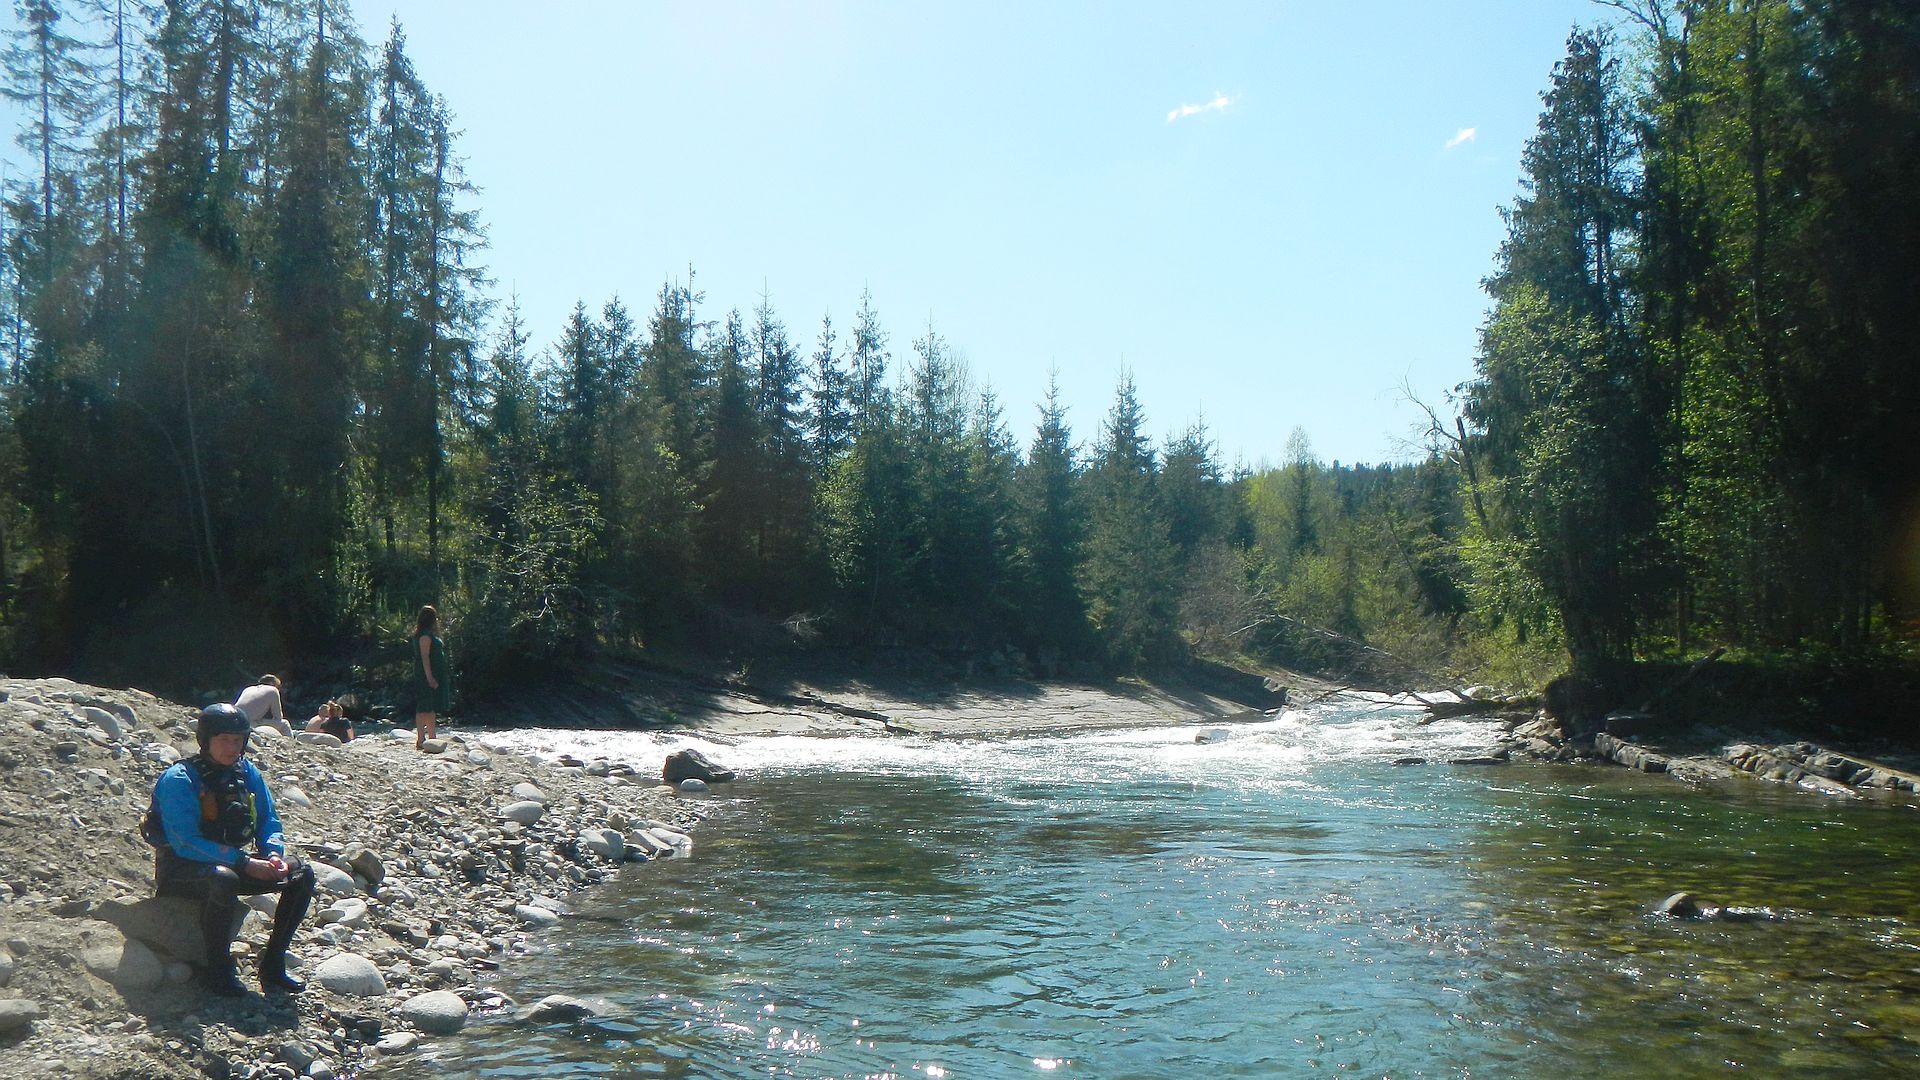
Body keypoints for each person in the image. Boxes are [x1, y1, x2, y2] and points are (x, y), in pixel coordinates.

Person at [142, 703, 316, 996]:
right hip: (182, 871)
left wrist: (273, 854)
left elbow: (268, 820)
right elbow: (185, 842)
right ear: (205, 740)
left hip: (231, 863)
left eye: (237, 740)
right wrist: (243, 861)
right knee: (224, 878)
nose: (232, 748)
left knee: (301, 874)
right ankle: (217, 971)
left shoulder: (246, 772)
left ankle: (273, 965)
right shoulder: (180, 779)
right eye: (224, 739)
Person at [411, 605, 450, 750]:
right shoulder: (425, 636)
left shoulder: (428, 634)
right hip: (425, 675)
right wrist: (429, 677)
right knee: (424, 705)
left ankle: (432, 737)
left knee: (430, 706)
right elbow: (424, 657)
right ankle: (421, 738)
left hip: (433, 674)